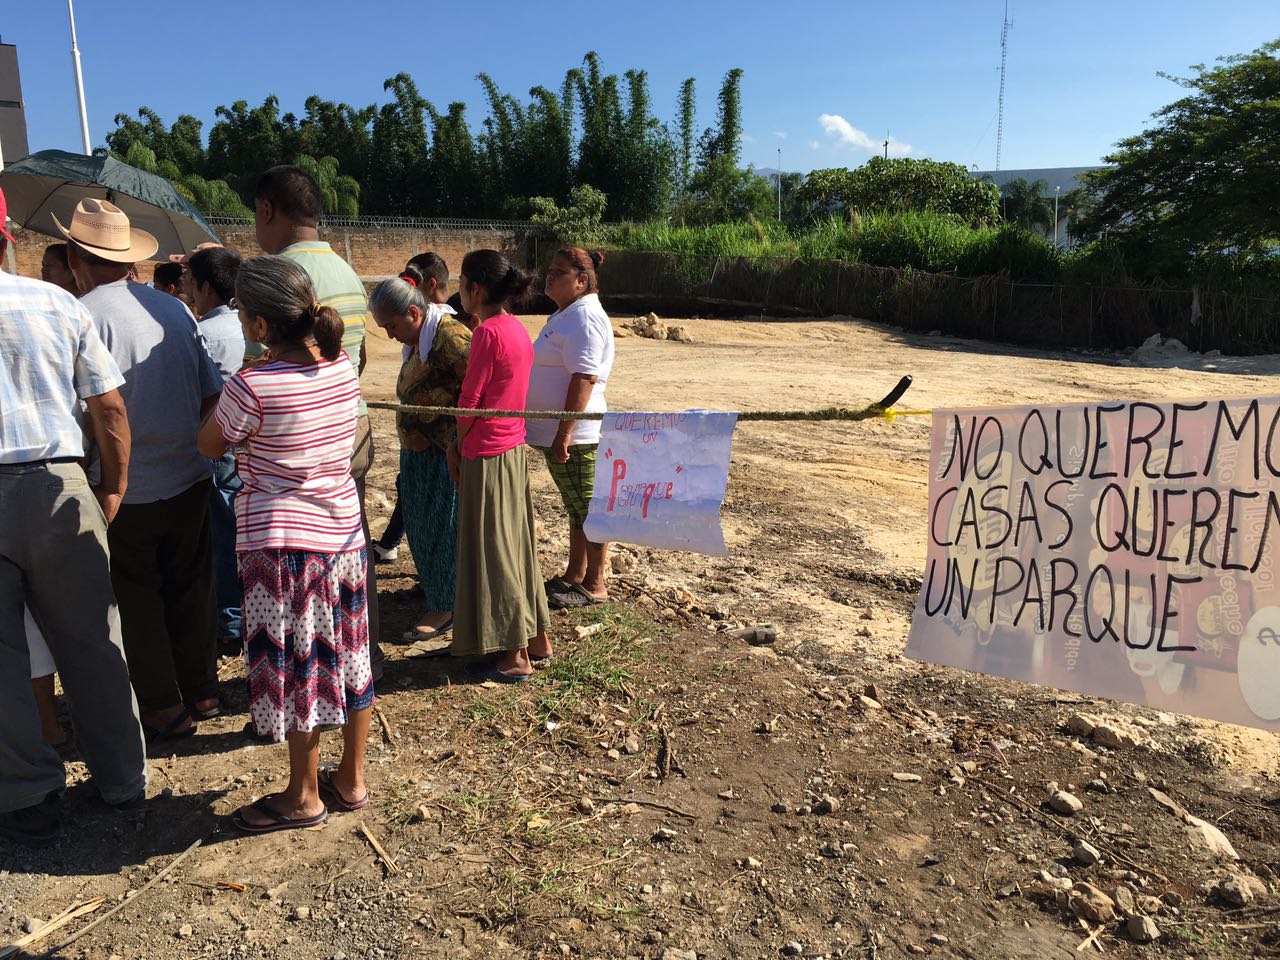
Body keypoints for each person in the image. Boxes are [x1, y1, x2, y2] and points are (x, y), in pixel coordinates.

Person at [198, 255, 372, 833]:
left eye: (244, 313)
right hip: (342, 536)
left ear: (262, 326)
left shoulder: (252, 384)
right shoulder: (342, 367)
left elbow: (208, 444)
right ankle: (350, 778)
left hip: (284, 549)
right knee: (347, 655)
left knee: (299, 668)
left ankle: (302, 796)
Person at [0, 188, 148, 845]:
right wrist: (112, 486)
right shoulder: (57, 304)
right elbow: (109, 410)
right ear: (7, 236)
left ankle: (28, 794)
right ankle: (123, 779)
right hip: (57, 483)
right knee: (93, 637)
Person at [58, 198, 224, 741]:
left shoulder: (84, 317)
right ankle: (201, 689)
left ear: (79, 258)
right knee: (189, 586)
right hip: (189, 477)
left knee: (137, 596)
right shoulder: (173, 308)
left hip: (124, 487)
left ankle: (160, 704)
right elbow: (209, 394)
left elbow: (91, 410)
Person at [254, 165, 382, 678]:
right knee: (352, 540)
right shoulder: (347, 271)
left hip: (296, 440)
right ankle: (361, 655)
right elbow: (362, 356)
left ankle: (307, 668)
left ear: (266, 210)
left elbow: (260, 368)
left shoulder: (277, 277)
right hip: (351, 425)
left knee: (299, 556)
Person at [449, 250, 552, 681]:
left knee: (496, 549)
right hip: (511, 450)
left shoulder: (487, 333)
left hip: (487, 453)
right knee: (517, 543)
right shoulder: (516, 329)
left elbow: (470, 403)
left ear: (476, 289)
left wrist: (455, 446)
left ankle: (513, 654)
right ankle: (537, 638)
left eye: (462, 282)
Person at [369, 255, 471, 641]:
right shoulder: (417, 342)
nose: (390, 335)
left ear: (413, 313)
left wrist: (457, 439)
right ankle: (437, 590)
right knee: (422, 526)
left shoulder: (450, 336)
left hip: (443, 453)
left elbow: (477, 389)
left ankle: (446, 607)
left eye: (392, 326)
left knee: (442, 527)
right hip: (419, 453)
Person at [528, 248, 616, 608]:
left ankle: (596, 583)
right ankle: (575, 574)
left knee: (588, 508)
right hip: (561, 434)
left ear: (581, 281)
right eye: (550, 269)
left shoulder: (585, 318)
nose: (550, 276)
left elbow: (584, 378)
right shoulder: (567, 313)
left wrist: (564, 432)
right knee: (576, 507)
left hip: (577, 436)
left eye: (559, 272)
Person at [189, 246, 246, 651]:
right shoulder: (243, 327)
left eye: (191, 285)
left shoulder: (202, 333)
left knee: (223, 530)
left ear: (207, 288)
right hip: (246, 440)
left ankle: (229, 620)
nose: (188, 294)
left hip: (218, 441)